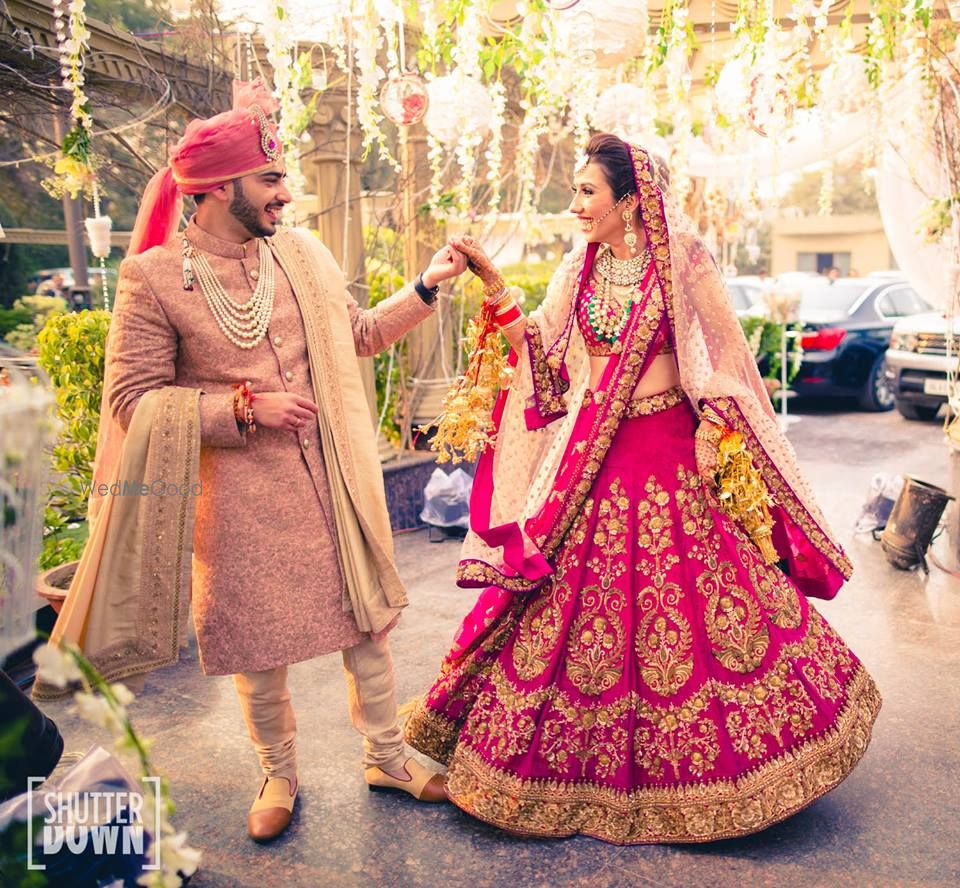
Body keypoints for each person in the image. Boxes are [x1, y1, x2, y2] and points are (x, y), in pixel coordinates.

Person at [404, 134, 881, 844]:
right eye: (574, 192)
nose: (575, 206)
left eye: (587, 192)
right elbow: (543, 353)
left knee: (698, 609)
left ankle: (721, 776)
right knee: (569, 614)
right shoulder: (582, 265)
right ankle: (564, 774)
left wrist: (717, 418)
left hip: (670, 457)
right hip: (592, 462)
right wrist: (494, 286)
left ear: (630, 200)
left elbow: (723, 352)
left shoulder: (681, 264)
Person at [34, 80, 467, 842]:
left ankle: (389, 757)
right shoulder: (155, 277)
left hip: (331, 478)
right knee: (258, 645)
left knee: (366, 625)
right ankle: (278, 772)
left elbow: (357, 335)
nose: (286, 194)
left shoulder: (300, 254)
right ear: (213, 188)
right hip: (236, 495)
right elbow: (134, 400)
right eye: (269, 180)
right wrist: (241, 408)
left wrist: (426, 288)